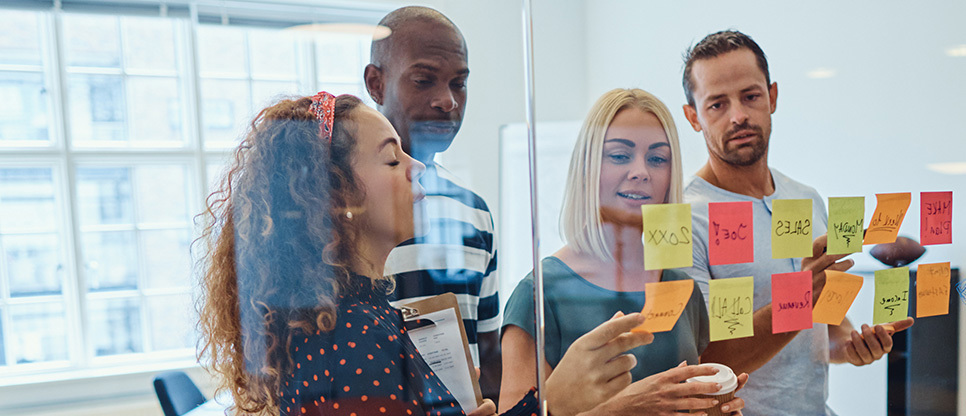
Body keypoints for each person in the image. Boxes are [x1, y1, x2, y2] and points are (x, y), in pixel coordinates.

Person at [196, 92, 724, 416]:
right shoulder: (350, 335)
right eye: (390, 158)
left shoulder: (360, 318)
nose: (416, 167)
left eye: (658, 157)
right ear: (337, 195)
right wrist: (558, 405)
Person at [678, 30, 915, 416]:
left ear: (772, 97)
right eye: (717, 104)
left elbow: (828, 325)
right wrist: (798, 298)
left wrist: (851, 345)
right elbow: (706, 362)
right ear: (693, 117)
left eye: (750, 96)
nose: (738, 115)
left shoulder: (805, 198)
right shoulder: (686, 218)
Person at [500, 88, 747, 415]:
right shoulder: (539, 294)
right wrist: (626, 408)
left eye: (657, 159)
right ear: (587, 166)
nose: (641, 172)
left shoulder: (680, 287)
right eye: (619, 155)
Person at [363, 7, 503, 399]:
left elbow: (487, 353)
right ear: (376, 84)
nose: (447, 101)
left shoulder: (474, 211)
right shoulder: (341, 207)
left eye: (459, 84)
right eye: (424, 80)